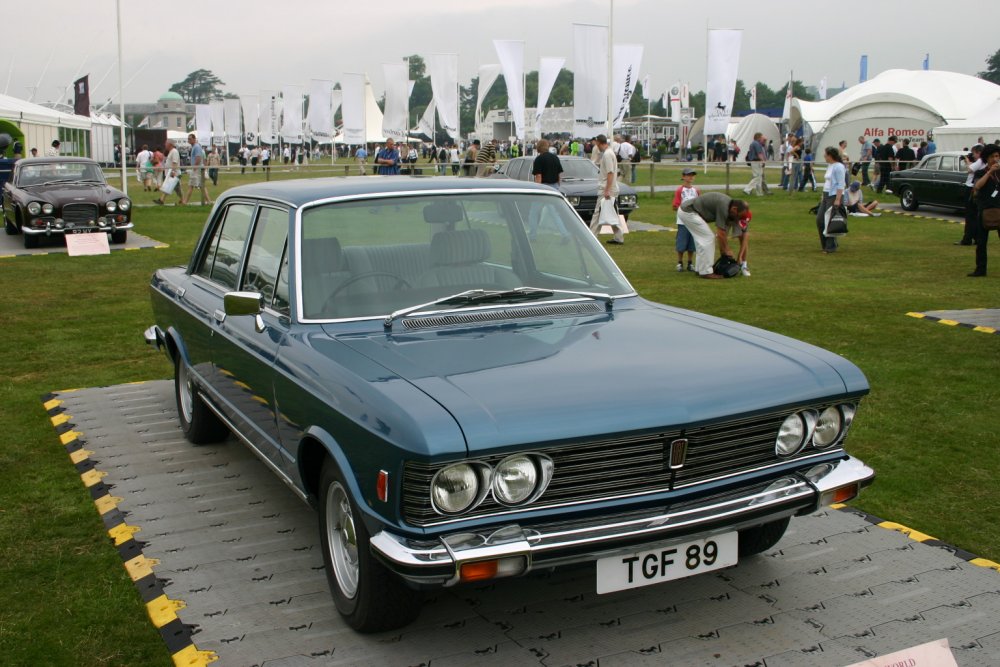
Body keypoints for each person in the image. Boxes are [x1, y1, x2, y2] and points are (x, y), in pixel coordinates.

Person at [677, 191, 751, 278]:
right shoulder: (724, 206)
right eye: (738, 216)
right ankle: (706, 272)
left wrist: (736, 256)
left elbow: (740, 236)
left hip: (689, 211)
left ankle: (700, 269)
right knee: (708, 238)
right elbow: (720, 234)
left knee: (701, 241)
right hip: (689, 211)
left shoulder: (732, 210)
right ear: (734, 209)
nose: (737, 219)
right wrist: (727, 250)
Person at [968, 144, 1000, 277]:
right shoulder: (981, 172)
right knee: (981, 242)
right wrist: (990, 172)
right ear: (987, 158)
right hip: (985, 210)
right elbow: (977, 186)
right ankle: (980, 269)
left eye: (997, 156)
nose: (995, 159)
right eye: (992, 156)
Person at [588, 134, 625, 245]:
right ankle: (619, 237)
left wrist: (607, 190)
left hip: (607, 188)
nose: (596, 147)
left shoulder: (607, 155)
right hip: (610, 187)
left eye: (596, 144)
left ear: (599, 142)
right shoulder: (609, 153)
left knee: (597, 213)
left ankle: (592, 236)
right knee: (612, 212)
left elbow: (610, 173)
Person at [816, 146, 847, 253]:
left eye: (825, 154)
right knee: (820, 219)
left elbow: (841, 184)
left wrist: (838, 199)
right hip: (826, 194)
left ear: (830, 155)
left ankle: (830, 246)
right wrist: (823, 196)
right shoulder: (830, 165)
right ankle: (825, 244)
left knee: (829, 221)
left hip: (834, 195)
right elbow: (828, 182)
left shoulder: (839, 167)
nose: (824, 156)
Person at [672, 167, 699, 272]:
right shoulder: (680, 190)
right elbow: (675, 205)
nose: (690, 177)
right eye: (688, 175)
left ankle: (690, 262)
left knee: (692, 243)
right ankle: (679, 262)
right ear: (683, 177)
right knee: (681, 242)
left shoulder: (696, 190)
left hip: (693, 220)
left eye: (692, 175)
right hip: (683, 221)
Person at [958, 144, 984, 246]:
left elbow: (969, 170)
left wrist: (967, 161)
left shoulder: (980, 161)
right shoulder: (983, 161)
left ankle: (967, 238)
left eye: (974, 153)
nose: (973, 156)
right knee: (975, 215)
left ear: (978, 153)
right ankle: (976, 237)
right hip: (976, 188)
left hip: (971, 188)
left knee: (970, 215)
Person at [181, 133, 212, 206]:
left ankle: (185, 202)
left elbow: (198, 158)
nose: (189, 140)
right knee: (201, 186)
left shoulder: (197, 147)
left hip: (196, 169)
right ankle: (209, 202)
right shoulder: (195, 147)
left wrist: (194, 168)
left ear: (194, 139)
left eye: (190, 139)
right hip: (197, 168)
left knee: (191, 185)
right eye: (188, 139)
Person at [153, 139, 183, 205]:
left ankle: (162, 200)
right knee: (174, 188)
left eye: (166, 143)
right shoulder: (171, 152)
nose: (165, 145)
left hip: (174, 173)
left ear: (170, 144)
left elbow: (174, 162)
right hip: (172, 173)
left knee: (170, 187)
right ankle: (182, 200)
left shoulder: (174, 151)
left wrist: (173, 171)